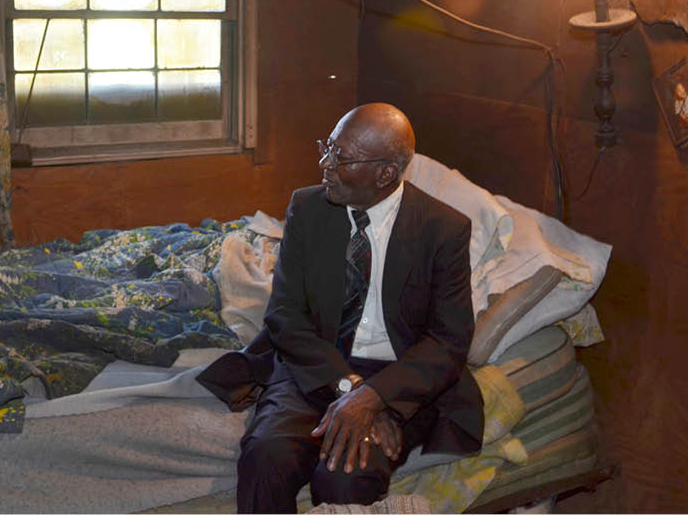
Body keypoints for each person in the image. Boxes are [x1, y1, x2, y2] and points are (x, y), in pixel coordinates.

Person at [198, 103, 484, 513]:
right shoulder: (308, 208)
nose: (325, 164)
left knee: (345, 473)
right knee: (266, 456)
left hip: (398, 377)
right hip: (317, 366)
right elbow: (285, 314)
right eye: (327, 147)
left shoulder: (443, 229)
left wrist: (379, 399)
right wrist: (352, 390)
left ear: (385, 174)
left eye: (341, 158)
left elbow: (448, 341)